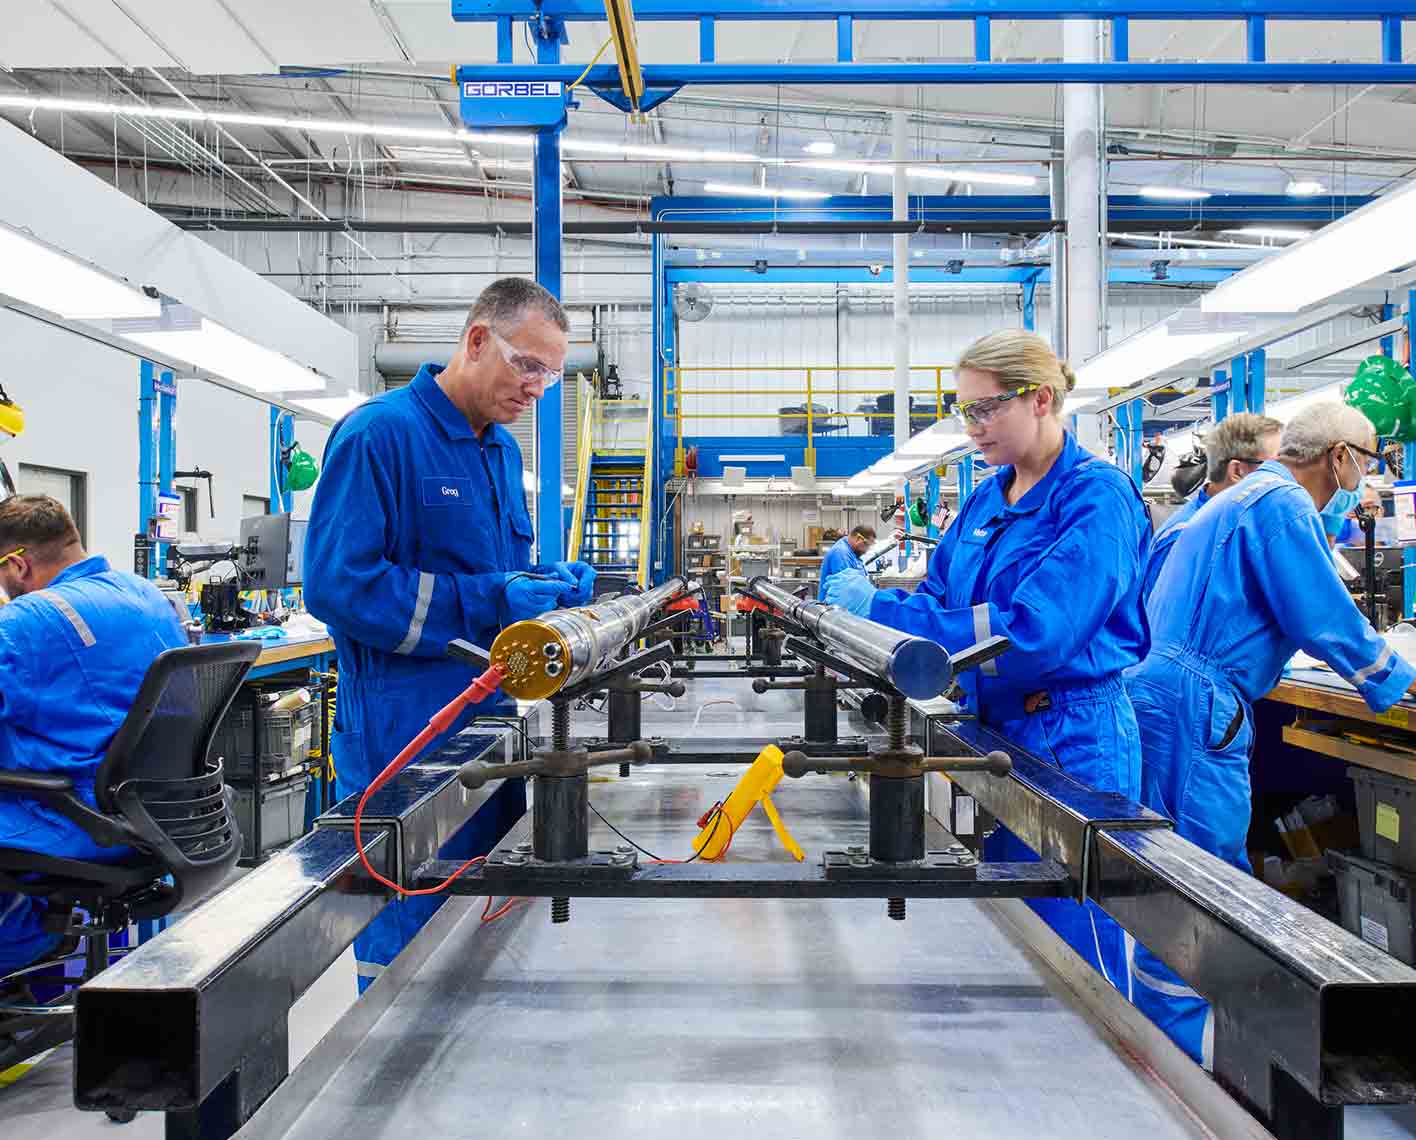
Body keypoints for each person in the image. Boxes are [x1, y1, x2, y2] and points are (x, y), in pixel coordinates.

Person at [823, 330, 1152, 988]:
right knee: (1023, 935)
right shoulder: (984, 498)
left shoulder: (1095, 500)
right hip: (1000, 734)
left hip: (1072, 738)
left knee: (1073, 943)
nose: (971, 427)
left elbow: (1031, 634)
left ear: (1041, 400)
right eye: (962, 411)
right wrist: (875, 615)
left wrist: (875, 612)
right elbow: (940, 597)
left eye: (984, 408)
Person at [303, 278, 597, 992]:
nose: (537, 389)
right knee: (410, 940)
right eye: (527, 366)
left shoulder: (497, 451)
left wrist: (540, 589)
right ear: (474, 341)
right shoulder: (380, 434)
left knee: (483, 934)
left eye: (551, 375)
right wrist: (494, 596)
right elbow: (340, 587)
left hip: (492, 727)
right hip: (407, 739)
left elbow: (493, 580)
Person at [1127, 402, 1416, 1067]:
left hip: (1170, 694)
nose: (1368, 479)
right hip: (1196, 703)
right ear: (1340, 456)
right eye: (1369, 461)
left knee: (1178, 873)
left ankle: (1165, 1037)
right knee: (1204, 880)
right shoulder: (1281, 504)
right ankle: (1191, 1058)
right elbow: (1322, 615)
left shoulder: (1239, 501)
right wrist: (1394, 679)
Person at [0, 495, 185, 977]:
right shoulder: (145, 593)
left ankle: (22, 959)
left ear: (18, 565)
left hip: (80, 821)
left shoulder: (29, 620)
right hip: (157, 816)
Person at [1142, 412, 1282, 603]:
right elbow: (1161, 623)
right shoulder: (1184, 538)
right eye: (1276, 466)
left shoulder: (1235, 526)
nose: (1284, 477)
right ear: (1237, 471)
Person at [817, 525, 875, 600]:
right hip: (835, 607)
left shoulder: (851, 552)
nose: (866, 550)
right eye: (867, 545)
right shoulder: (841, 553)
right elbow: (847, 587)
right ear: (858, 539)